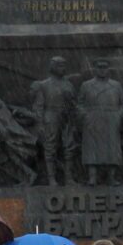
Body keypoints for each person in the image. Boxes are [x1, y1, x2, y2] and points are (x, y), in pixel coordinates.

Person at [31, 55, 78, 185]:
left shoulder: (68, 85)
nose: (63, 69)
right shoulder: (43, 85)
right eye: (60, 66)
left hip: (66, 117)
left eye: (64, 66)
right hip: (50, 116)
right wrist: (40, 124)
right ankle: (52, 178)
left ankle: (69, 178)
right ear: (53, 67)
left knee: (69, 147)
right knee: (50, 147)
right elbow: (39, 106)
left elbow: (74, 104)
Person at [77, 58, 123, 186]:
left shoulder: (116, 85)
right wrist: (85, 116)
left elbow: (122, 104)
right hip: (93, 118)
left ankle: (112, 177)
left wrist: (119, 116)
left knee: (112, 148)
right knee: (92, 148)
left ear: (108, 69)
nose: (102, 70)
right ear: (95, 68)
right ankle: (92, 177)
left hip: (111, 118)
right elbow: (80, 104)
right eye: (100, 67)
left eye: (105, 67)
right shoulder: (86, 85)